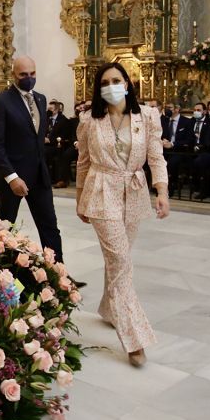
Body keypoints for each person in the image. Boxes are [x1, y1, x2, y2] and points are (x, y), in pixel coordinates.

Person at [76, 63, 168, 367]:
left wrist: (162, 192)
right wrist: (80, 199)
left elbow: (155, 156)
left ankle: (109, 308)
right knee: (121, 261)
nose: (111, 85)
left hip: (134, 192)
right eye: (105, 82)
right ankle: (135, 338)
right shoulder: (89, 120)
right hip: (101, 192)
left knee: (120, 257)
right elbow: (83, 162)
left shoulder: (147, 117)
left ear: (127, 84)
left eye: (116, 80)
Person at [0, 56, 64, 262]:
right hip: (12, 177)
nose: (28, 78)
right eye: (23, 74)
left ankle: (59, 274)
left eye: (32, 74)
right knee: (5, 228)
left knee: (49, 225)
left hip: (39, 175)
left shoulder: (40, 99)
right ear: (14, 75)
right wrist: (12, 178)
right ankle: (1, 274)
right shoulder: (1, 101)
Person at [45, 100, 75, 188]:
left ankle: (51, 179)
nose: (49, 111)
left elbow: (64, 136)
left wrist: (50, 140)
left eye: (51, 109)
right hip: (46, 145)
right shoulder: (47, 119)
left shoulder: (63, 121)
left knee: (44, 152)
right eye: (48, 109)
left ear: (57, 110)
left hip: (58, 145)